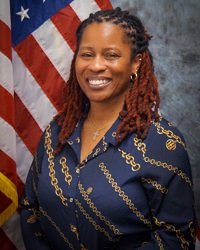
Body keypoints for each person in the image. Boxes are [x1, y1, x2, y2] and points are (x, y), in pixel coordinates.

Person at [20, 7, 196, 249]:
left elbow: (175, 237)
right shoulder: (57, 131)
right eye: (87, 54)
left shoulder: (163, 143)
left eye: (111, 55)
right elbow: (31, 209)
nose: (96, 66)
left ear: (135, 63)